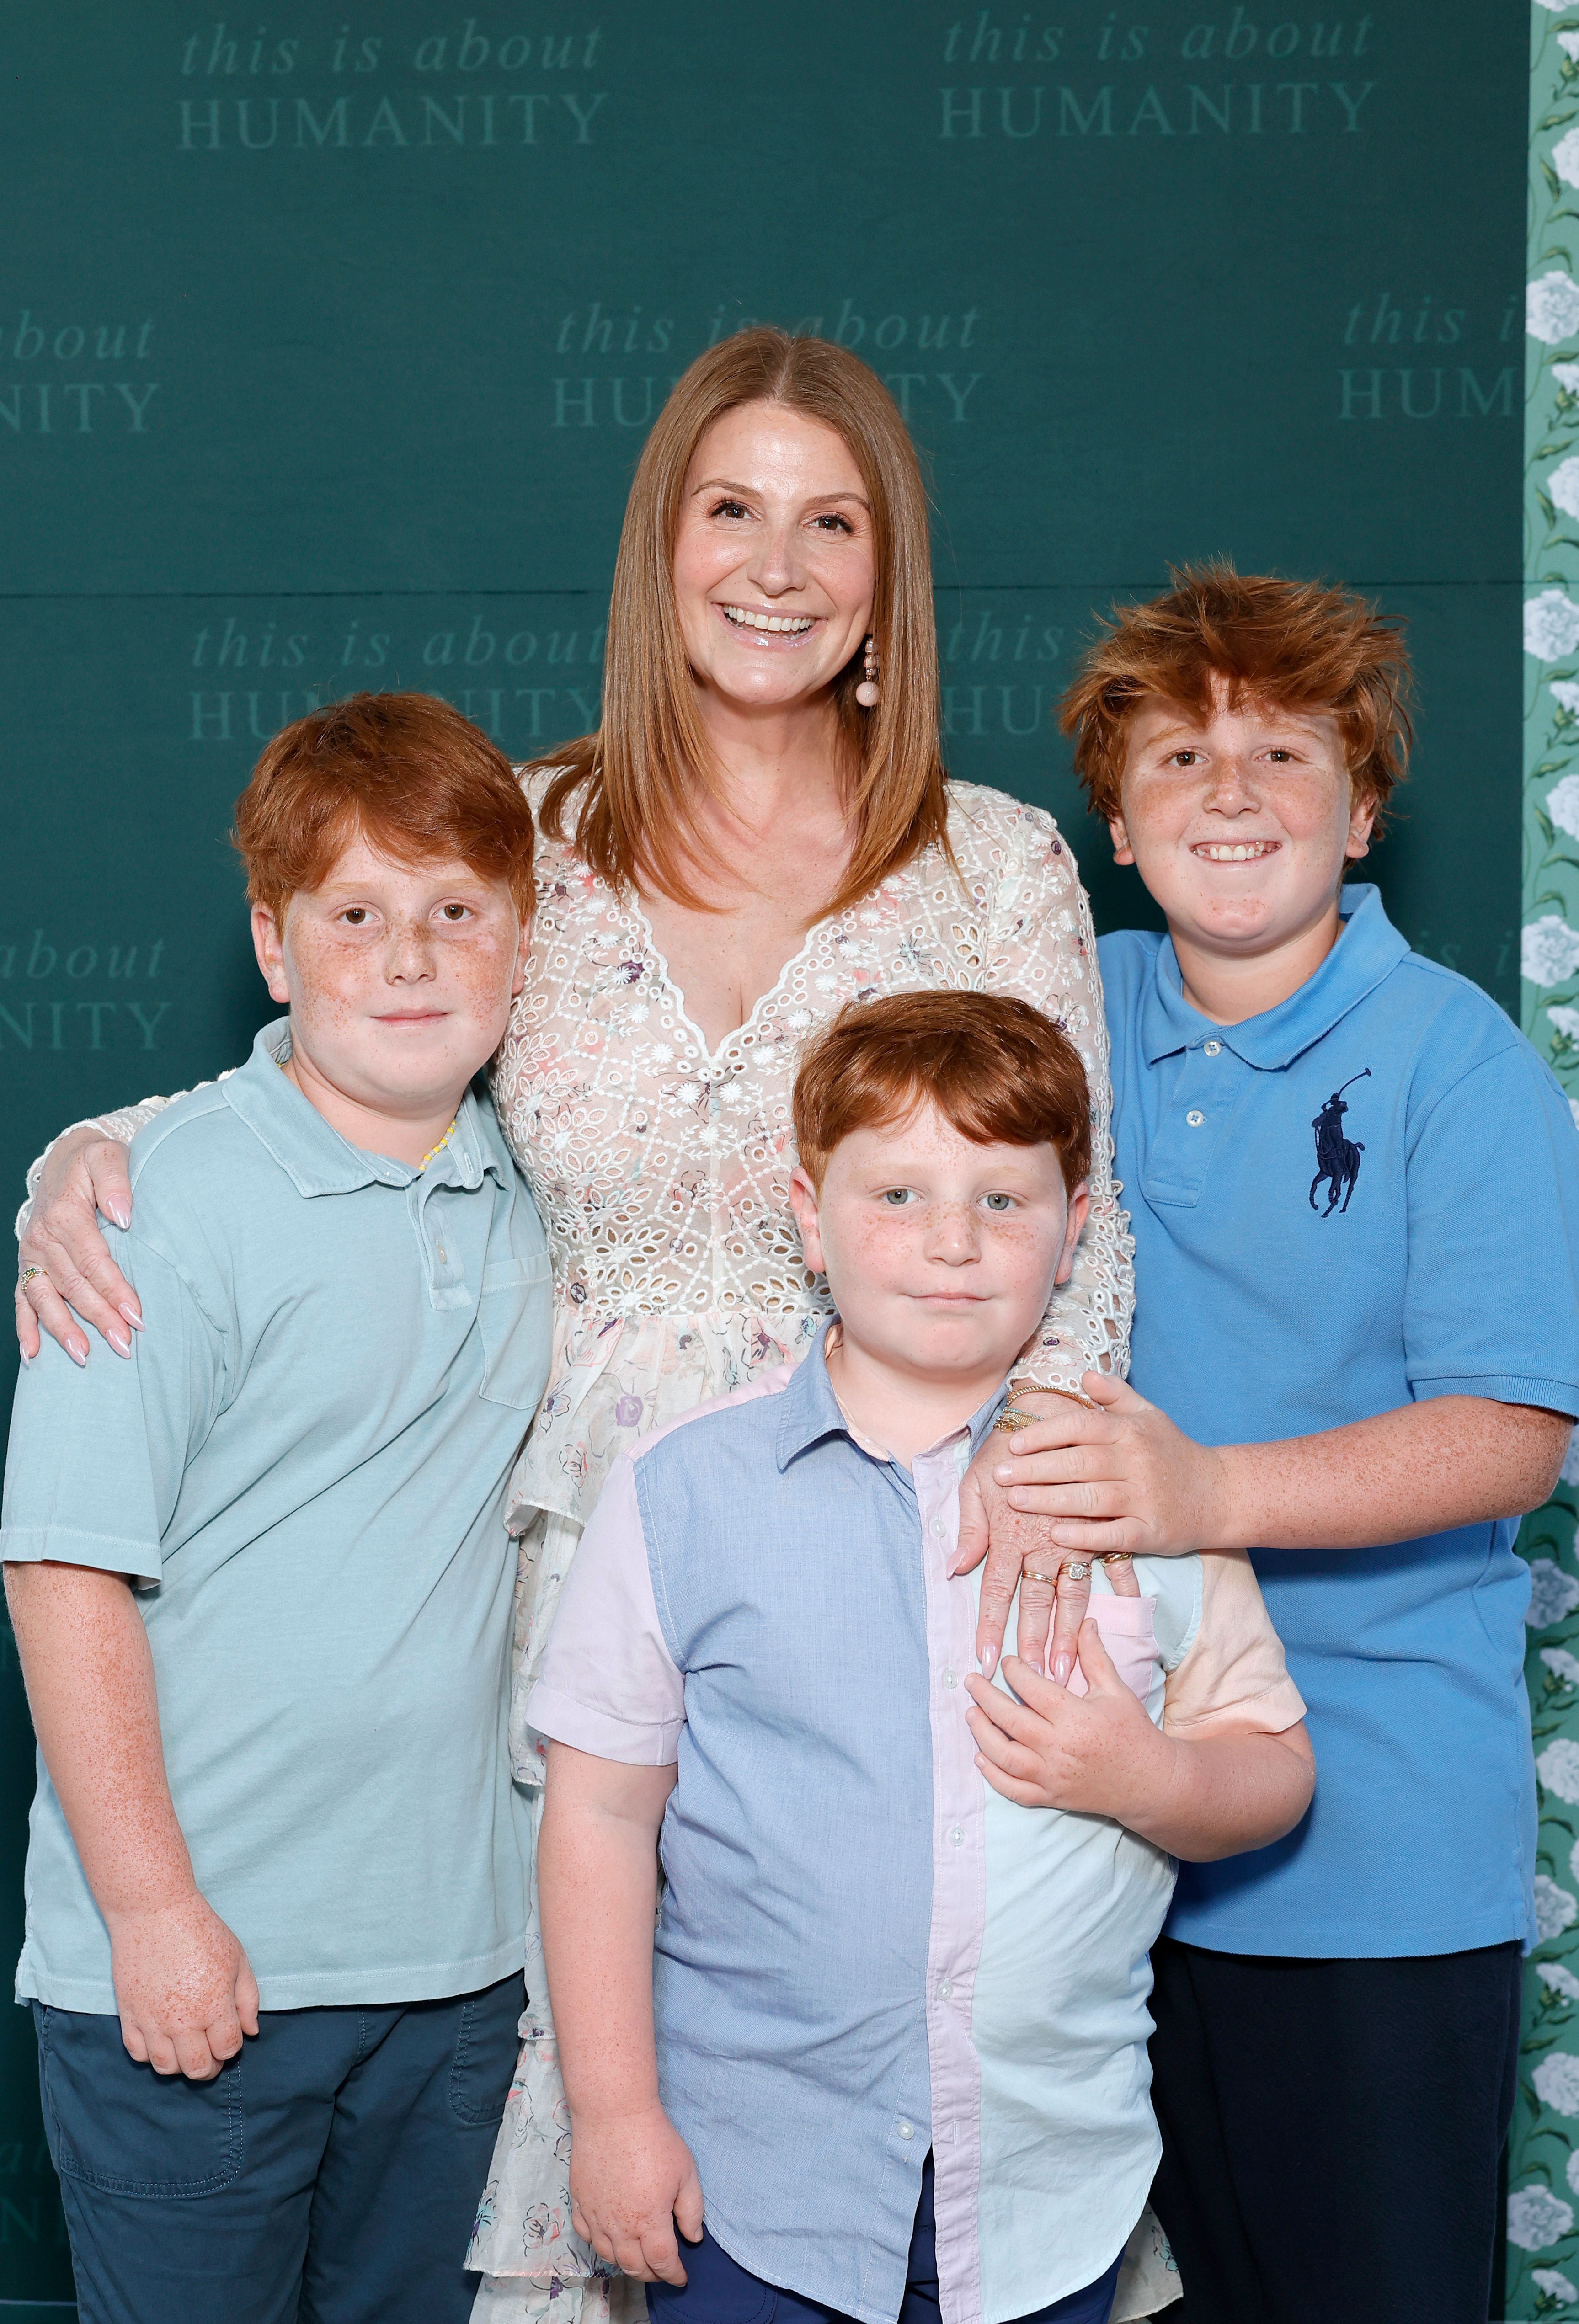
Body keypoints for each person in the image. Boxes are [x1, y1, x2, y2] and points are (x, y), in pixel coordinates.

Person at [11, 330, 1136, 2323]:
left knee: (838, 2152)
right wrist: (99, 1142)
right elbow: (350, 1041)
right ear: (661, 547)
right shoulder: (534, 828)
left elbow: (1081, 1222)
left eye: (830, 520)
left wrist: (1037, 1499)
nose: (775, 565)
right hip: (542, 1600)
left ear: (888, 579)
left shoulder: (993, 861)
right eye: (731, 511)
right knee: (558, 2155)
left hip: (879, 1577)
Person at [963, 565, 1579, 2323]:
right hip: (1082, 1845)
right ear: (1119, 819)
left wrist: (1209, 1492)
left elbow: (1510, 1436)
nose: (1229, 791)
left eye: (1285, 752)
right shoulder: (1061, 1018)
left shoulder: (1455, 1063)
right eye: (1178, 756)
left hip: (1369, 1863)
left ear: (1365, 806)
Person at [525, 990, 1312, 2324]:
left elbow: (1273, 1769)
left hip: (1047, 2190)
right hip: (751, 2182)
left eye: (1006, 1201)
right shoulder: (684, 1490)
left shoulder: (1146, 1493)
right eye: (897, 1194)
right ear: (807, 1215)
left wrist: (1147, 1776)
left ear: (1074, 1235)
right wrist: (611, 2115)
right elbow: (600, 1810)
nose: (953, 1242)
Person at [2, 695, 553, 2324]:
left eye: (458, 912)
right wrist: (155, 1911)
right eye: (356, 915)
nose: (408, 958)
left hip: (459, 1974)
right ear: (271, 941)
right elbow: (59, 1569)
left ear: (524, 946)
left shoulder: (542, 1195)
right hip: (202, 1965)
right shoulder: (154, 1211)